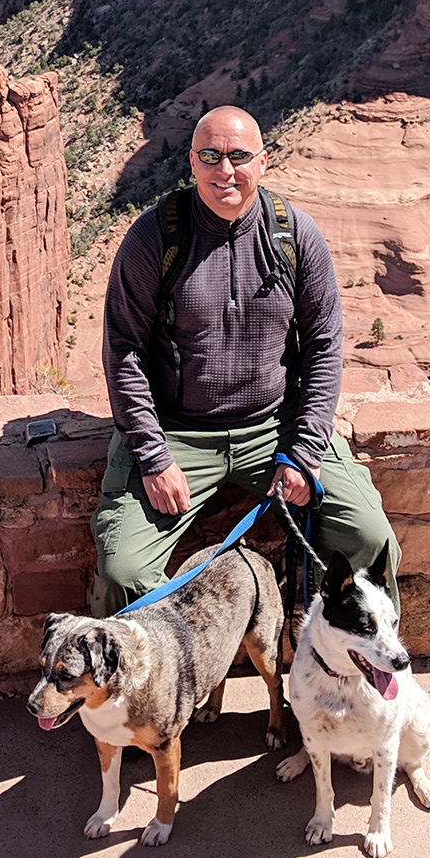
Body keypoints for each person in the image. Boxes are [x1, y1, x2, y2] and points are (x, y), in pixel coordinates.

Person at [92, 105, 399, 616]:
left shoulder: (295, 236)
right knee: (123, 568)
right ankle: (145, 687)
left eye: (238, 156)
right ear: (191, 161)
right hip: (177, 432)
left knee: (368, 534)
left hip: (274, 427)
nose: (224, 170)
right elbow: (122, 350)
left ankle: (355, 661)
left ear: (263, 161)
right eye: (210, 156)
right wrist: (152, 456)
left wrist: (304, 450)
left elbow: (323, 348)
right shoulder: (155, 237)